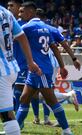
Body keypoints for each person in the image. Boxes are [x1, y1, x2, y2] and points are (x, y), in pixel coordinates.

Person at [15, 2, 73, 135]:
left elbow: (15, 39)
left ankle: (67, 131)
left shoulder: (27, 27)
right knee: (23, 99)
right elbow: (54, 47)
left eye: (22, 11)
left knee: (51, 101)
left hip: (40, 70)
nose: (20, 14)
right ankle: (15, 131)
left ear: (30, 12)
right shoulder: (46, 28)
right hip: (37, 69)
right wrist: (63, 65)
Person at [30, 8, 81, 126]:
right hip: (49, 64)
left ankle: (68, 96)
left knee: (43, 93)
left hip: (45, 64)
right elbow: (65, 44)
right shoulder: (52, 29)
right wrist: (73, 58)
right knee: (38, 93)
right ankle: (46, 118)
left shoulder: (30, 27)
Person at [0, 5, 41, 135]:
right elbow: (21, 36)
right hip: (9, 68)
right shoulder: (6, 13)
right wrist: (30, 61)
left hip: (1, 69)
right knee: (6, 113)